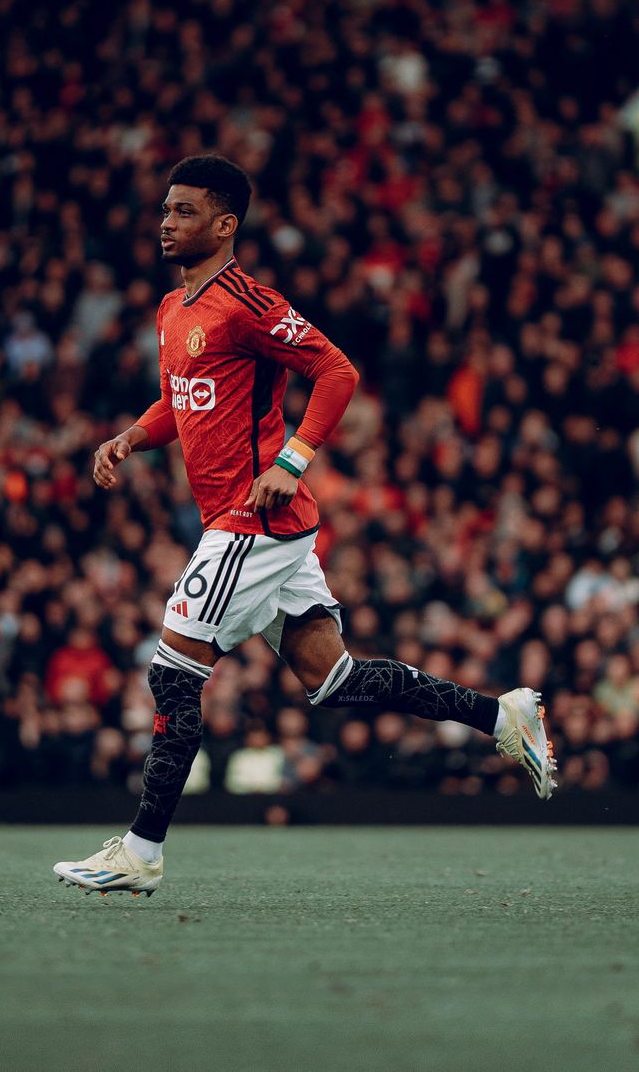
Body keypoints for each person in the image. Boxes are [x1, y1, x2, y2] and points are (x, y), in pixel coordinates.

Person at [54, 155, 556, 897]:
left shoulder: (249, 303)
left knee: (172, 674)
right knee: (334, 678)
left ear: (225, 225)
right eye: (165, 208)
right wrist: (131, 436)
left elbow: (338, 372)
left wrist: (293, 457)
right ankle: (503, 717)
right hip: (269, 528)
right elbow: (183, 401)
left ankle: (141, 851)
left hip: (250, 520)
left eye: (185, 210)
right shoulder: (173, 310)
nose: (166, 221)